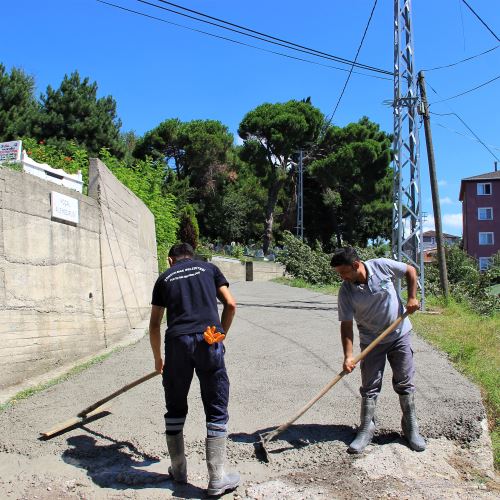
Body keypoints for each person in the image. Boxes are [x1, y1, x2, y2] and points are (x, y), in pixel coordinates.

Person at [149, 242, 239, 496]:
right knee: (216, 404)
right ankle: (217, 478)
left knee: (175, 406)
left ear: (170, 260)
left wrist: (158, 359)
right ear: (193, 255)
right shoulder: (210, 268)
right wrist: (220, 337)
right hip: (208, 339)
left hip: (177, 343)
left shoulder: (164, 278)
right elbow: (231, 305)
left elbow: (155, 324)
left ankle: (178, 471)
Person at [331, 247, 426, 454]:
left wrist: (412, 297)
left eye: (344, 272)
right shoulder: (346, 290)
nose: (342, 277)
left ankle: (411, 428)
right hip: (371, 341)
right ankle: (366, 428)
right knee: (370, 386)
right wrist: (348, 355)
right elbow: (346, 324)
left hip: (399, 334)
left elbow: (410, 270)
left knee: (404, 381)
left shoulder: (381, 266)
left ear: (356, 266)